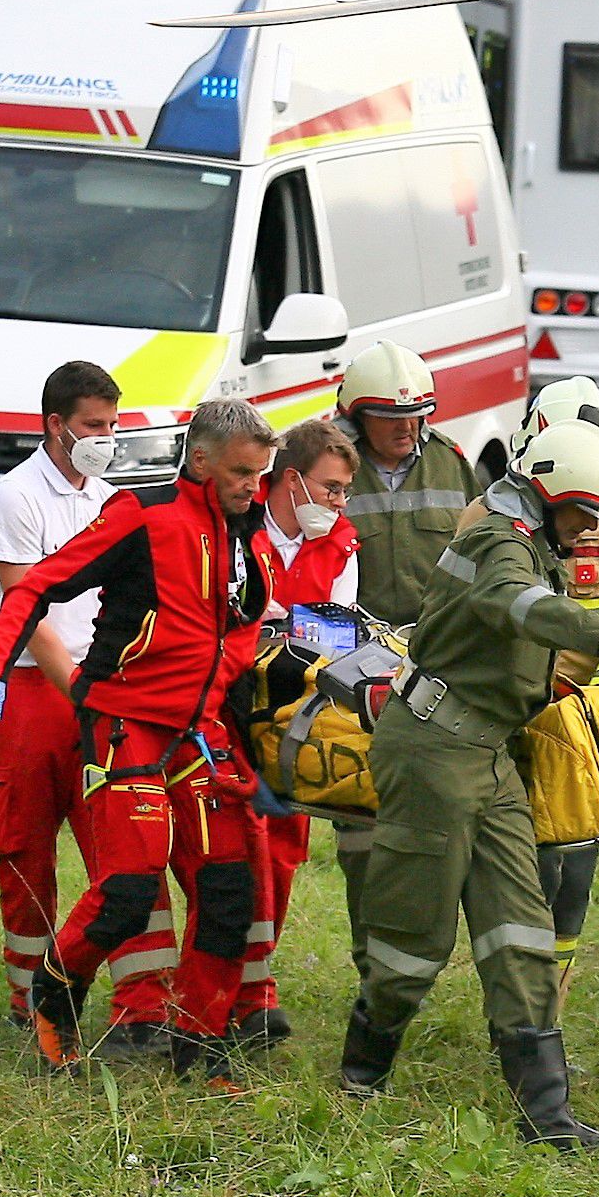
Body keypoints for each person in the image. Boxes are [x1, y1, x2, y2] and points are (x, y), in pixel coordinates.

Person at [340, 422, 599, 1151]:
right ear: (549, 496)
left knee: (521, 926)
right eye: (583, 514)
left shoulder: (529, 541)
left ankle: (547, 1119)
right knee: (413, 935)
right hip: (432, 751)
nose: (590, 533)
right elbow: (514, 604)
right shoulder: (500, 543)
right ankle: (360, 1080)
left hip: (489, 753)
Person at [0, 399, 277, 1081]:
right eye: (242, 473)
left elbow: (243, 643)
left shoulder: (249, 539)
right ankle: (56, 993)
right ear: (200, 461)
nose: (254, 486)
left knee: (227, 893)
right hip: (124, 725)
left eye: (261, 473)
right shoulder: (144, 514)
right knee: (128, 888)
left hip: (199, 734)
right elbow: (37, 585)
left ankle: (199, 1046)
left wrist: (258, 746)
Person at [328, 342, 484, 1027]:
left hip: (438, 670)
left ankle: (426, 961)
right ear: (355, 418)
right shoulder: (325, 469)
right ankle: (377, 977)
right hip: (353, 671)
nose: (407, 428)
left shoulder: (453, 462)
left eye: (418, 414)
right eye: (390, 417)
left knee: (444, 825)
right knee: (364, 831)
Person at [0, 359, 125, 1030]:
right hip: (28, 690)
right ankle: (25, 997)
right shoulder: (14, 499)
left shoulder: (107, 499)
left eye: (113, 425)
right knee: (26, 848)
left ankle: (116, 992)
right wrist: (83, 692)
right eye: (95, 426)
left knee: (113, 842)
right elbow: (27, 614)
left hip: (90, 685)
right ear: (56, 425)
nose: (106, 438)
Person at [491, 377, 599, 1009]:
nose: (588, 522)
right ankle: (511, 1003)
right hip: (500, 716)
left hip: (571, 721)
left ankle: (544, 1014)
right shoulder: (495, 522)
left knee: (573, 865)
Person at [237, 414, 362, 1049]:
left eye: (344, 494)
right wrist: (289, 624)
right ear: (292, 480)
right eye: (332, 488)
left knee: (283, 850)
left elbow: (337, 634)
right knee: (227, 850)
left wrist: (281, 623)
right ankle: (217, 982)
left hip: (293, 713)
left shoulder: (341, 544)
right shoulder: (240, 523)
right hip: (231, 703)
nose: (339, 505)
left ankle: (256, 988)